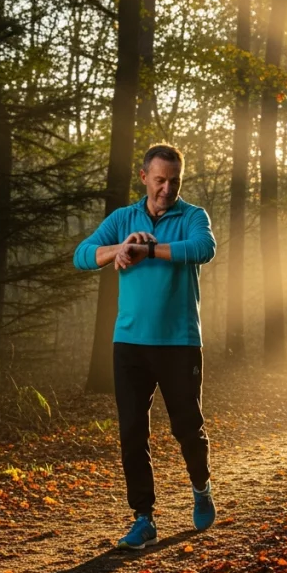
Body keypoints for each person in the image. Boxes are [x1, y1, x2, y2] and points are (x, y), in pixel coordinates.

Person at [73, 144, 216, 549]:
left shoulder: (192, 216)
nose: (166, 189)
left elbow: (203, 249)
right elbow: (81, 256)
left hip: (179, 343)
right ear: (144, 178)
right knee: (132, 432)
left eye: (174, 181)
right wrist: (118, 250)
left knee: (187, 428)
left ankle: (201, 488)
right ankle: (144, 518)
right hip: (130, 343)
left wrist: (146, 249)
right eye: (159, 180)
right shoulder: (123, 219)